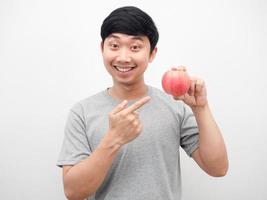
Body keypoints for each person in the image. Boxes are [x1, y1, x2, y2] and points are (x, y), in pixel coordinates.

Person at [57, 6, 228, 200]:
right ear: (102, 48)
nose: (123, 57)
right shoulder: (82, 112)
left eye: (135, 47)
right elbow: (73, 192)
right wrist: (113, 139)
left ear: (152, 53)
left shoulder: (174, 106)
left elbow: (218, 168)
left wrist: (200, 108)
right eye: (114, 45)